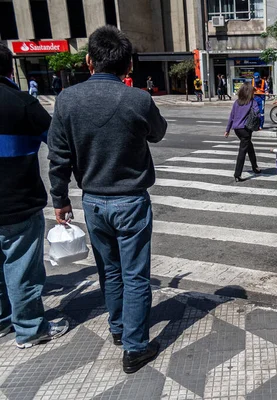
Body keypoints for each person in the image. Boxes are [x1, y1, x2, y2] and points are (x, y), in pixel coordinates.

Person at [47, 25, 167, 374]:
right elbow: (158, 133)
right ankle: (135, 347)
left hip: (93, 201)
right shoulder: (138, 99)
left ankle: (118, 328)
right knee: (135, 275)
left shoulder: (67, 99)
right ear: (128, 65)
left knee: (110, 271)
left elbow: (58, 156)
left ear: (89, 62)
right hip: (130, 201)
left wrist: (59, 199)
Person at [0, 44, 70, 349]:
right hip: (17, 202)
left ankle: (3, 321)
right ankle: (29, 329)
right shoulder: (21, 103)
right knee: (21, 267)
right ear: (8, 69)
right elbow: (57, 143)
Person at [224, 83, 262, 182]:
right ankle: (237, 174)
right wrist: (258, 125)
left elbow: (231, 117)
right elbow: (257, 114)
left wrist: (227, 130)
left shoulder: (236, 102)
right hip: (245, 129)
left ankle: (255, 167)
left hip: (237, 129)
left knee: (250, 147)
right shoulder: (252, 102)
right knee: (242, 151)